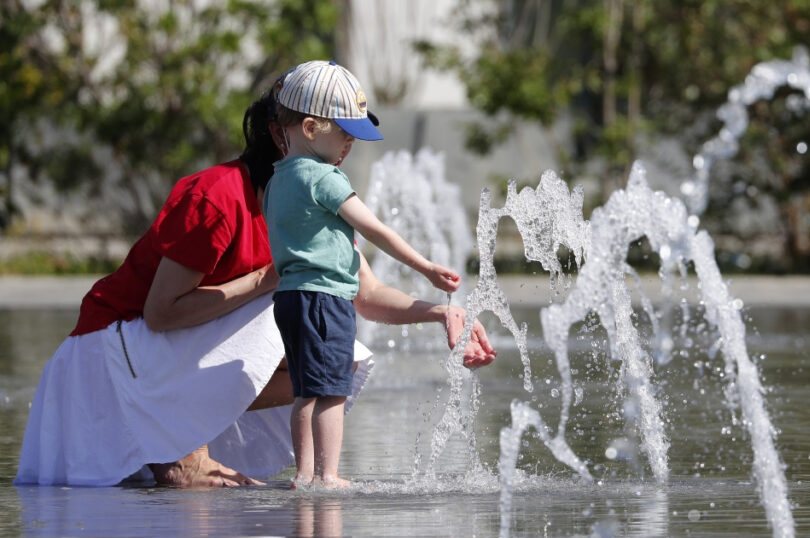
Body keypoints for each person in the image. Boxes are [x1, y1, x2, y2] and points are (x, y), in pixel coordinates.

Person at [13, 65, 496, 489]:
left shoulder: (318, 204)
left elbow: (365, 296)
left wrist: (442, 312)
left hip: (163, 360)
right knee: (286, 303)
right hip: (106, 357)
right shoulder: (218, 197)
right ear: (290, 132)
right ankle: (180, 449)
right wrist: (264, 280)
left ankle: (198, 444)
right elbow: (160, 314)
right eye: (340, 131)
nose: (348, 146)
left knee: (336, 357)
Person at [263, 60, 460, 490]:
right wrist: (425, 267)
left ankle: (304, 474)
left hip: (291, 298)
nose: (351, 142)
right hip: (325, 299)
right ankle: (328, 475)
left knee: (305, 391)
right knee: (333, 389)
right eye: (345, 132)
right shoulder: (324, 177)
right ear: (311, 128)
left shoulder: (277, 181)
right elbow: (374, 228)